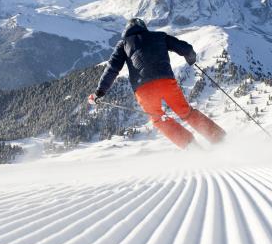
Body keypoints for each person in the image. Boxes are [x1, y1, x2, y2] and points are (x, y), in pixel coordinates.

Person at [88, 17, 226, 149]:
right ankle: (218, 138)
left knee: (159, 119)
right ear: (144, 28)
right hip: (166, 82)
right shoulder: (160, 36)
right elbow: (186, 49)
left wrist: (100, 92)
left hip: (144, 90)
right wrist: (191, 58)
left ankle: (191, 146)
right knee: (186, 112)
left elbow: (112, 68)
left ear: (127, 31)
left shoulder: (123, 44)